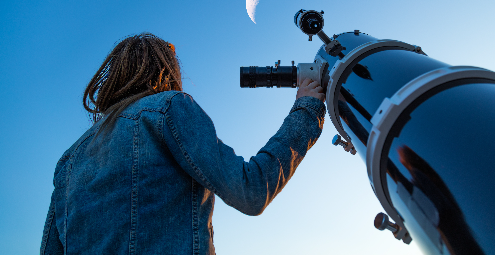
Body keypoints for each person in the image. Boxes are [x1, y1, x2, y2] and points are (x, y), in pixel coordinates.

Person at [40, 33, 326, 255]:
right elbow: (251, 190)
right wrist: (306, 108)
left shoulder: (69, 160)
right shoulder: (168, 109)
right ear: (165, 69)